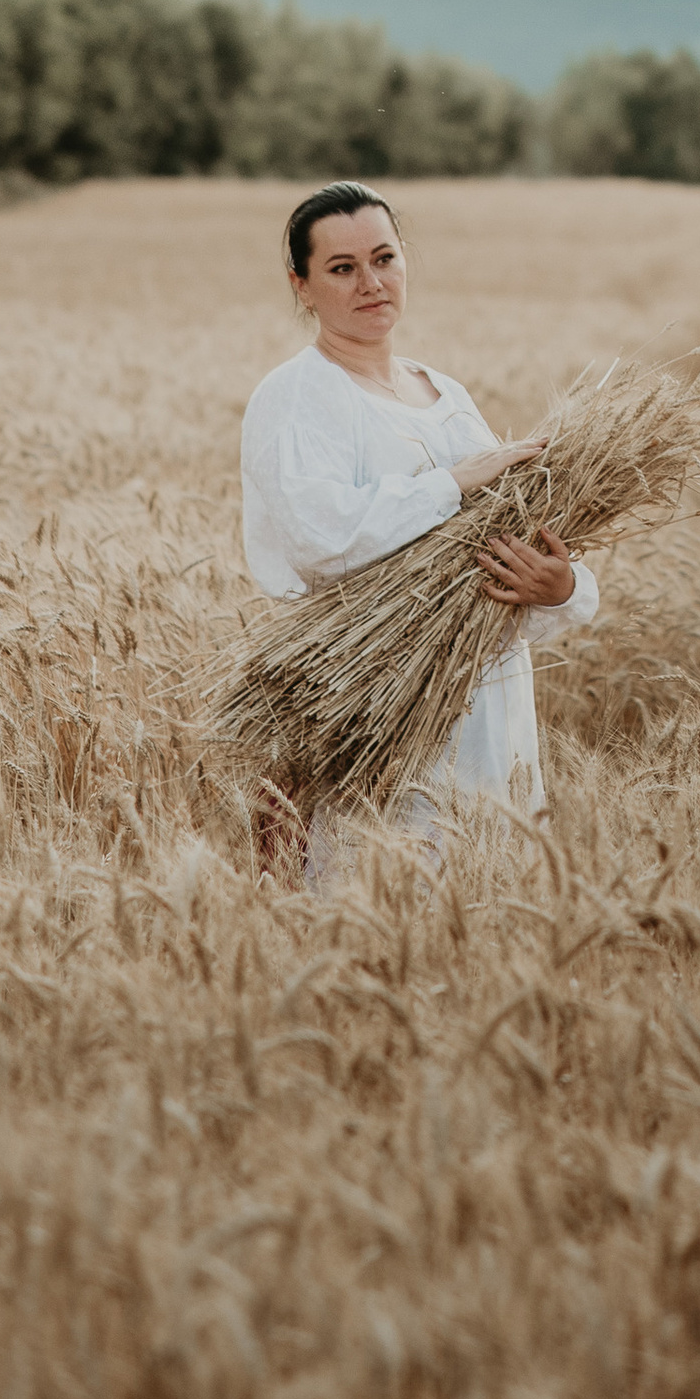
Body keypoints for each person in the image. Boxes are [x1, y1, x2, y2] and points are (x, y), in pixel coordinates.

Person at [240, 179, 598, 876]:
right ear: (302, 285)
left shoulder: (446, 394)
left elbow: (499, 555)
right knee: (385, 900)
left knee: (494, 919)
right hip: (383, 718)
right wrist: (455, 481)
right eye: (342, 269)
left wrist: (561, 587)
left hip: (494, 713)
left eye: (384, 258)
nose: (371, 283)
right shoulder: (296, 396)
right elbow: (322, 541)